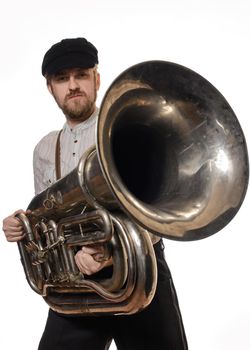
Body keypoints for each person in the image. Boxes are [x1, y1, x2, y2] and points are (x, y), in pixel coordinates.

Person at [2, 37, 188, 350]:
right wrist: (24, 226)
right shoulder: (45, 149)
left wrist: (106, 252)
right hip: (78, 278)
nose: (72, 85)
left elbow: (156, 209)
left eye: (81, 75)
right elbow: (49, 219)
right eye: (62, 79)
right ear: (51, 88)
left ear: (97, 79)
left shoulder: (126, 126)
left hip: (140, 268)